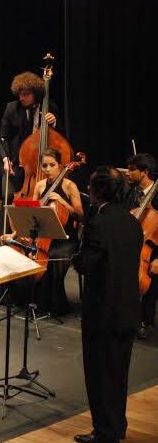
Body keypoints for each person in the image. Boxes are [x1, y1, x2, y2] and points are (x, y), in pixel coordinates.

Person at [72, 166, 143, 443]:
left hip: (102, 312)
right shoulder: (132, 222)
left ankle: (104, 432)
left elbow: (88, 264)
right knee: (118, 374)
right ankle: (116, 427)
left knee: (100, 375)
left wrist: (76, 259)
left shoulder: (98, 223)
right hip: (127, 309)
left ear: (96, 190)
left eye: (90, 186)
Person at [0, 148, 83, 316]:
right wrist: (14, 235)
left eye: (52, 165)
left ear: (60, 166)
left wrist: (63, 202)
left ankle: (49, 305)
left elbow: (81, 215)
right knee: (15, 250)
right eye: (44, 165)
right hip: (41, 236)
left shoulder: (69, 186)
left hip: (64, 239)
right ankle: (22, 299)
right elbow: (31, 215)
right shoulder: (39, 185)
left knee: (51, 258)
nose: (47, 169)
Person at [0, 71, 61, 234]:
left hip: (39, 165)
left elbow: (59, 139)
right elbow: (3, 138)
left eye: (26, 94)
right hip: (15, 162)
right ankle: (4, 237)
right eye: (20, 94)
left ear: (36, 94)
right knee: (9, 196)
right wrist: (5, 159)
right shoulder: (12, 108)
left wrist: (54, 124)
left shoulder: (50, 108)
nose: (22, 98)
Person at [121, 153, 157, 339]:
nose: (127, 173)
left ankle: (145, 320)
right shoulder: (128, 192)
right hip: (131, 244)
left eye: (132, 170)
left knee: (151, 274)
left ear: (145, 172)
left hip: (153, 250)